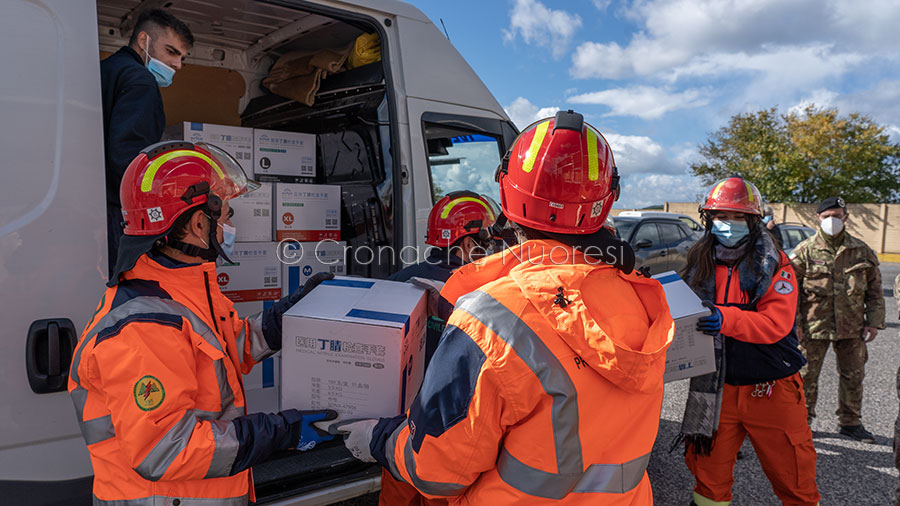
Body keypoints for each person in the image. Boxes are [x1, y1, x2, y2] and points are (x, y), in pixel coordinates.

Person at [328, 110, 675, 504]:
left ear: (506, 192)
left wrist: (379, 441)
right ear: (606, 200)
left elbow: (437, 472)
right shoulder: (639, 298)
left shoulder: (493, 318)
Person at [68, 141, 336, 505]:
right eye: (226, 216)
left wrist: (290, 314)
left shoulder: (182, 289)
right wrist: (280, 432)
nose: (229, 225)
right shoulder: (144, 326)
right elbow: (166, 450)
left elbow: (229, 348)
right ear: (198, 223)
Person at [679, 177, 819, 506]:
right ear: (708, 219)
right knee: (707, 476)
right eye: (720, 216)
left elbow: (775, 324)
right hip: (717, 387)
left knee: (795, 478)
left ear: (753, 221)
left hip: (771, 387)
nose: (728, 224)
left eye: (737, 217)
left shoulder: (776, 265)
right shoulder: (700, 262)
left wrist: (725, 318)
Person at [379, 191, 496, 506]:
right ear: (468, 244)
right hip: (450, 432)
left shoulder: (399, 280)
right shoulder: (484, 293)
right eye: (487, 241)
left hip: (398, 427)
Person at [101, 8, 193, 276]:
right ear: (144, 41)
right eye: (171, 52)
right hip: (118, 217)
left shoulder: (105, 71)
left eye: (182, 57)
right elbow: (130, 162)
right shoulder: (140, 81)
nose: (178, 65)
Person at [791, 196, 885, 442]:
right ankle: (802, 422)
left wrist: (873, 322)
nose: (832, 220)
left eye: (837, 215)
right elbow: (789, 292)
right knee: (805, 376)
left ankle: (850, 423)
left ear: (846, 217)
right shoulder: (804, 251)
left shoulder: (861, 251)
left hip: (851, 327)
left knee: (853, 375)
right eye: (826, 216)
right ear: (818, 218)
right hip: (813, 326)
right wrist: (794, 325)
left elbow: (874, 291)